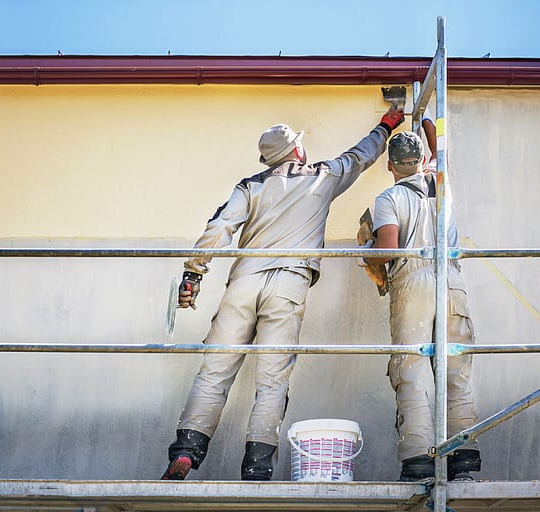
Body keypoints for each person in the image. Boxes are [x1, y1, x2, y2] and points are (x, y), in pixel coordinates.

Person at [161, 106, 405, 481]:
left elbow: (219, 227)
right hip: (289, 284)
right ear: (297, 151)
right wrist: (387, 124)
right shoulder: (323, 177)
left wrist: (193, 274)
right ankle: (257, 467)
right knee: (272, 380)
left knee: (214, 372)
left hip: (244, 282)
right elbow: (361, 156)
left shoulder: (250, 186)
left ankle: (187, 452)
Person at [365, 131, 482, 481]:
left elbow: (389, 249)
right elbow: (438, 146)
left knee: (413, 368)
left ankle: (418, 462)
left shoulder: (390, 197)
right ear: (422, 161)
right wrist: (428, 118)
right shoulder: (441, 183)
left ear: (389, 165)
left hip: (414, 280)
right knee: (455, 368)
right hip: (451, 278)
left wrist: (366, 248)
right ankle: (464, 459)